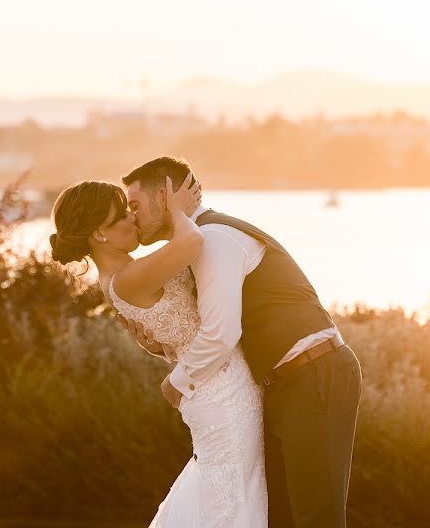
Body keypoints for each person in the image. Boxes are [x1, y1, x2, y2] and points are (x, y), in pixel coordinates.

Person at [120, 156, 362, 528]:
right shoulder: (198, 244)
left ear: (165, 195)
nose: (131, 215)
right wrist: (161, 346)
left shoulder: (216, 239)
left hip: (314, 374)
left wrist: (179, 381)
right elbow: (213, 335)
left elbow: (221, 332)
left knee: (316, 518)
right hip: (285, 384)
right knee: (281, 517)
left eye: (135, 205)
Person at [49, 174, 267, 527]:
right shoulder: (127, 278)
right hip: (221, 396)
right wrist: (177, 208)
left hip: (219, 386)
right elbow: (192, 240)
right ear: (99, 234)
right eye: (120, 216)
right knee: (234, 497)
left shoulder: (125, 274)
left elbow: (171, 333)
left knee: (233, 491)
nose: (132, 218)